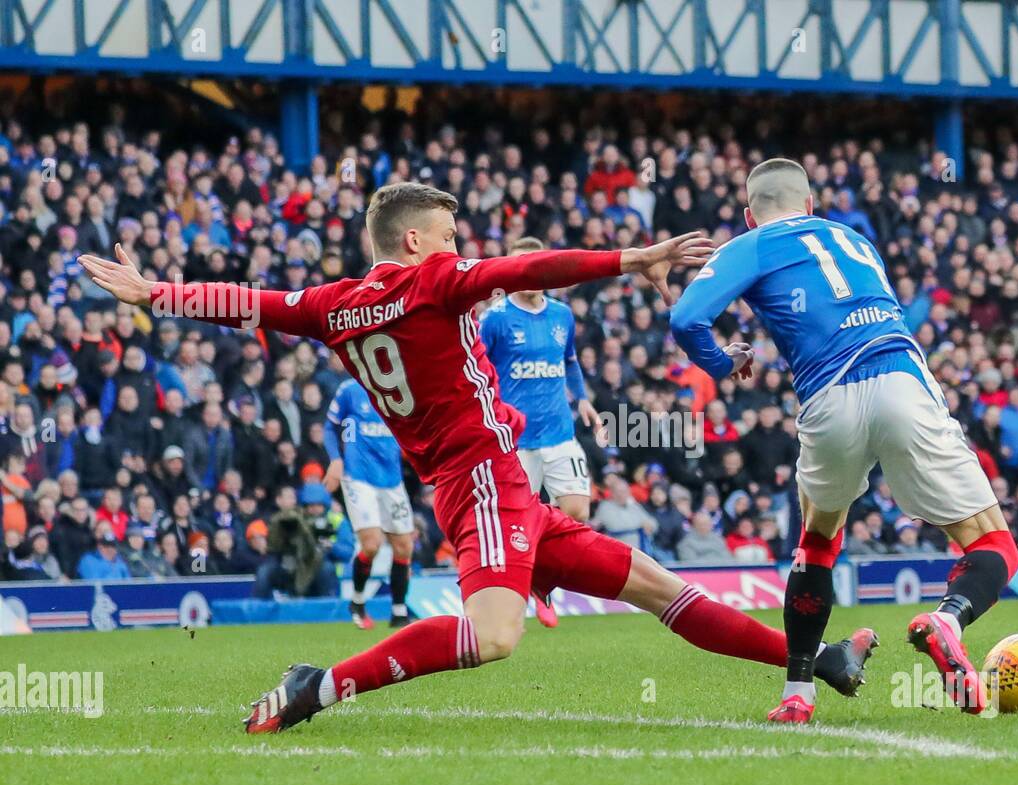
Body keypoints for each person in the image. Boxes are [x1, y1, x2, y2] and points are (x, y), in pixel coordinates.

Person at [79, 183, 870, 735]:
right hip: (482, 483)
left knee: (657, 585)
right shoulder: (435, 281)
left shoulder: (333, 305)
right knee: (494, 638)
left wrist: (158, 294)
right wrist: (630, 259)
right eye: (450, 237)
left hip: (499, 486)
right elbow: (527, 271)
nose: (461, 250)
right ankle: (314, 687)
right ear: (416, 242)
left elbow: (249, 302)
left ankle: (816, 658)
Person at [670, 157, 1016, 721]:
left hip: (828, 398)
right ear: (810, 205)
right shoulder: (855, 239)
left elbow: (686, 320)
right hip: (901, 379)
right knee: (993, 544)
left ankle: (797, 696)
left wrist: (722, 360)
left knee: (817, 544)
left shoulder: (749, 245)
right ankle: (948, 619)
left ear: (749, 215)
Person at [479, 235, 604, 627]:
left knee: (577, 510)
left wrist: (582, 398)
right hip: (516, 439)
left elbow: (569, 361)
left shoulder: (562, 315)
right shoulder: (495, 318)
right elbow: (478, 370)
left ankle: (542, 579)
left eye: (535, 266)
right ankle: (523, 586)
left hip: (560, 433)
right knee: (517, 521)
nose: (528, 275)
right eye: (520, 267)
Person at [323, 377, 416, 630]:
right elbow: (330, 427)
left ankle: (398, 612)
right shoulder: (350, 390)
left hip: (391, 478)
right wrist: (335, 459)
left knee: (404, 546)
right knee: (372, 544)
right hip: (358, 476)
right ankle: (357, 601)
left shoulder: (400, 390)